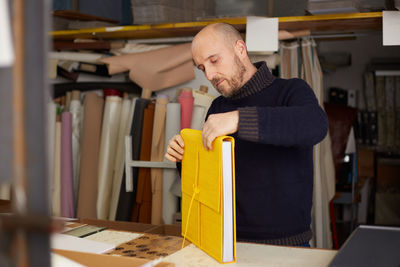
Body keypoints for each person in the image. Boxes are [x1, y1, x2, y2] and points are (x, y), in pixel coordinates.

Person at [165, 23, 328, 246]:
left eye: (214, 60)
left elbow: (315, 125)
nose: (210, 75)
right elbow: (208, 182)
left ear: (240, 49)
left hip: (287, 246)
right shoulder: (217, 108)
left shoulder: (291, 91)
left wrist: (240, 119)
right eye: (202, 68)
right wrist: (185, 157)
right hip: (226, 244)